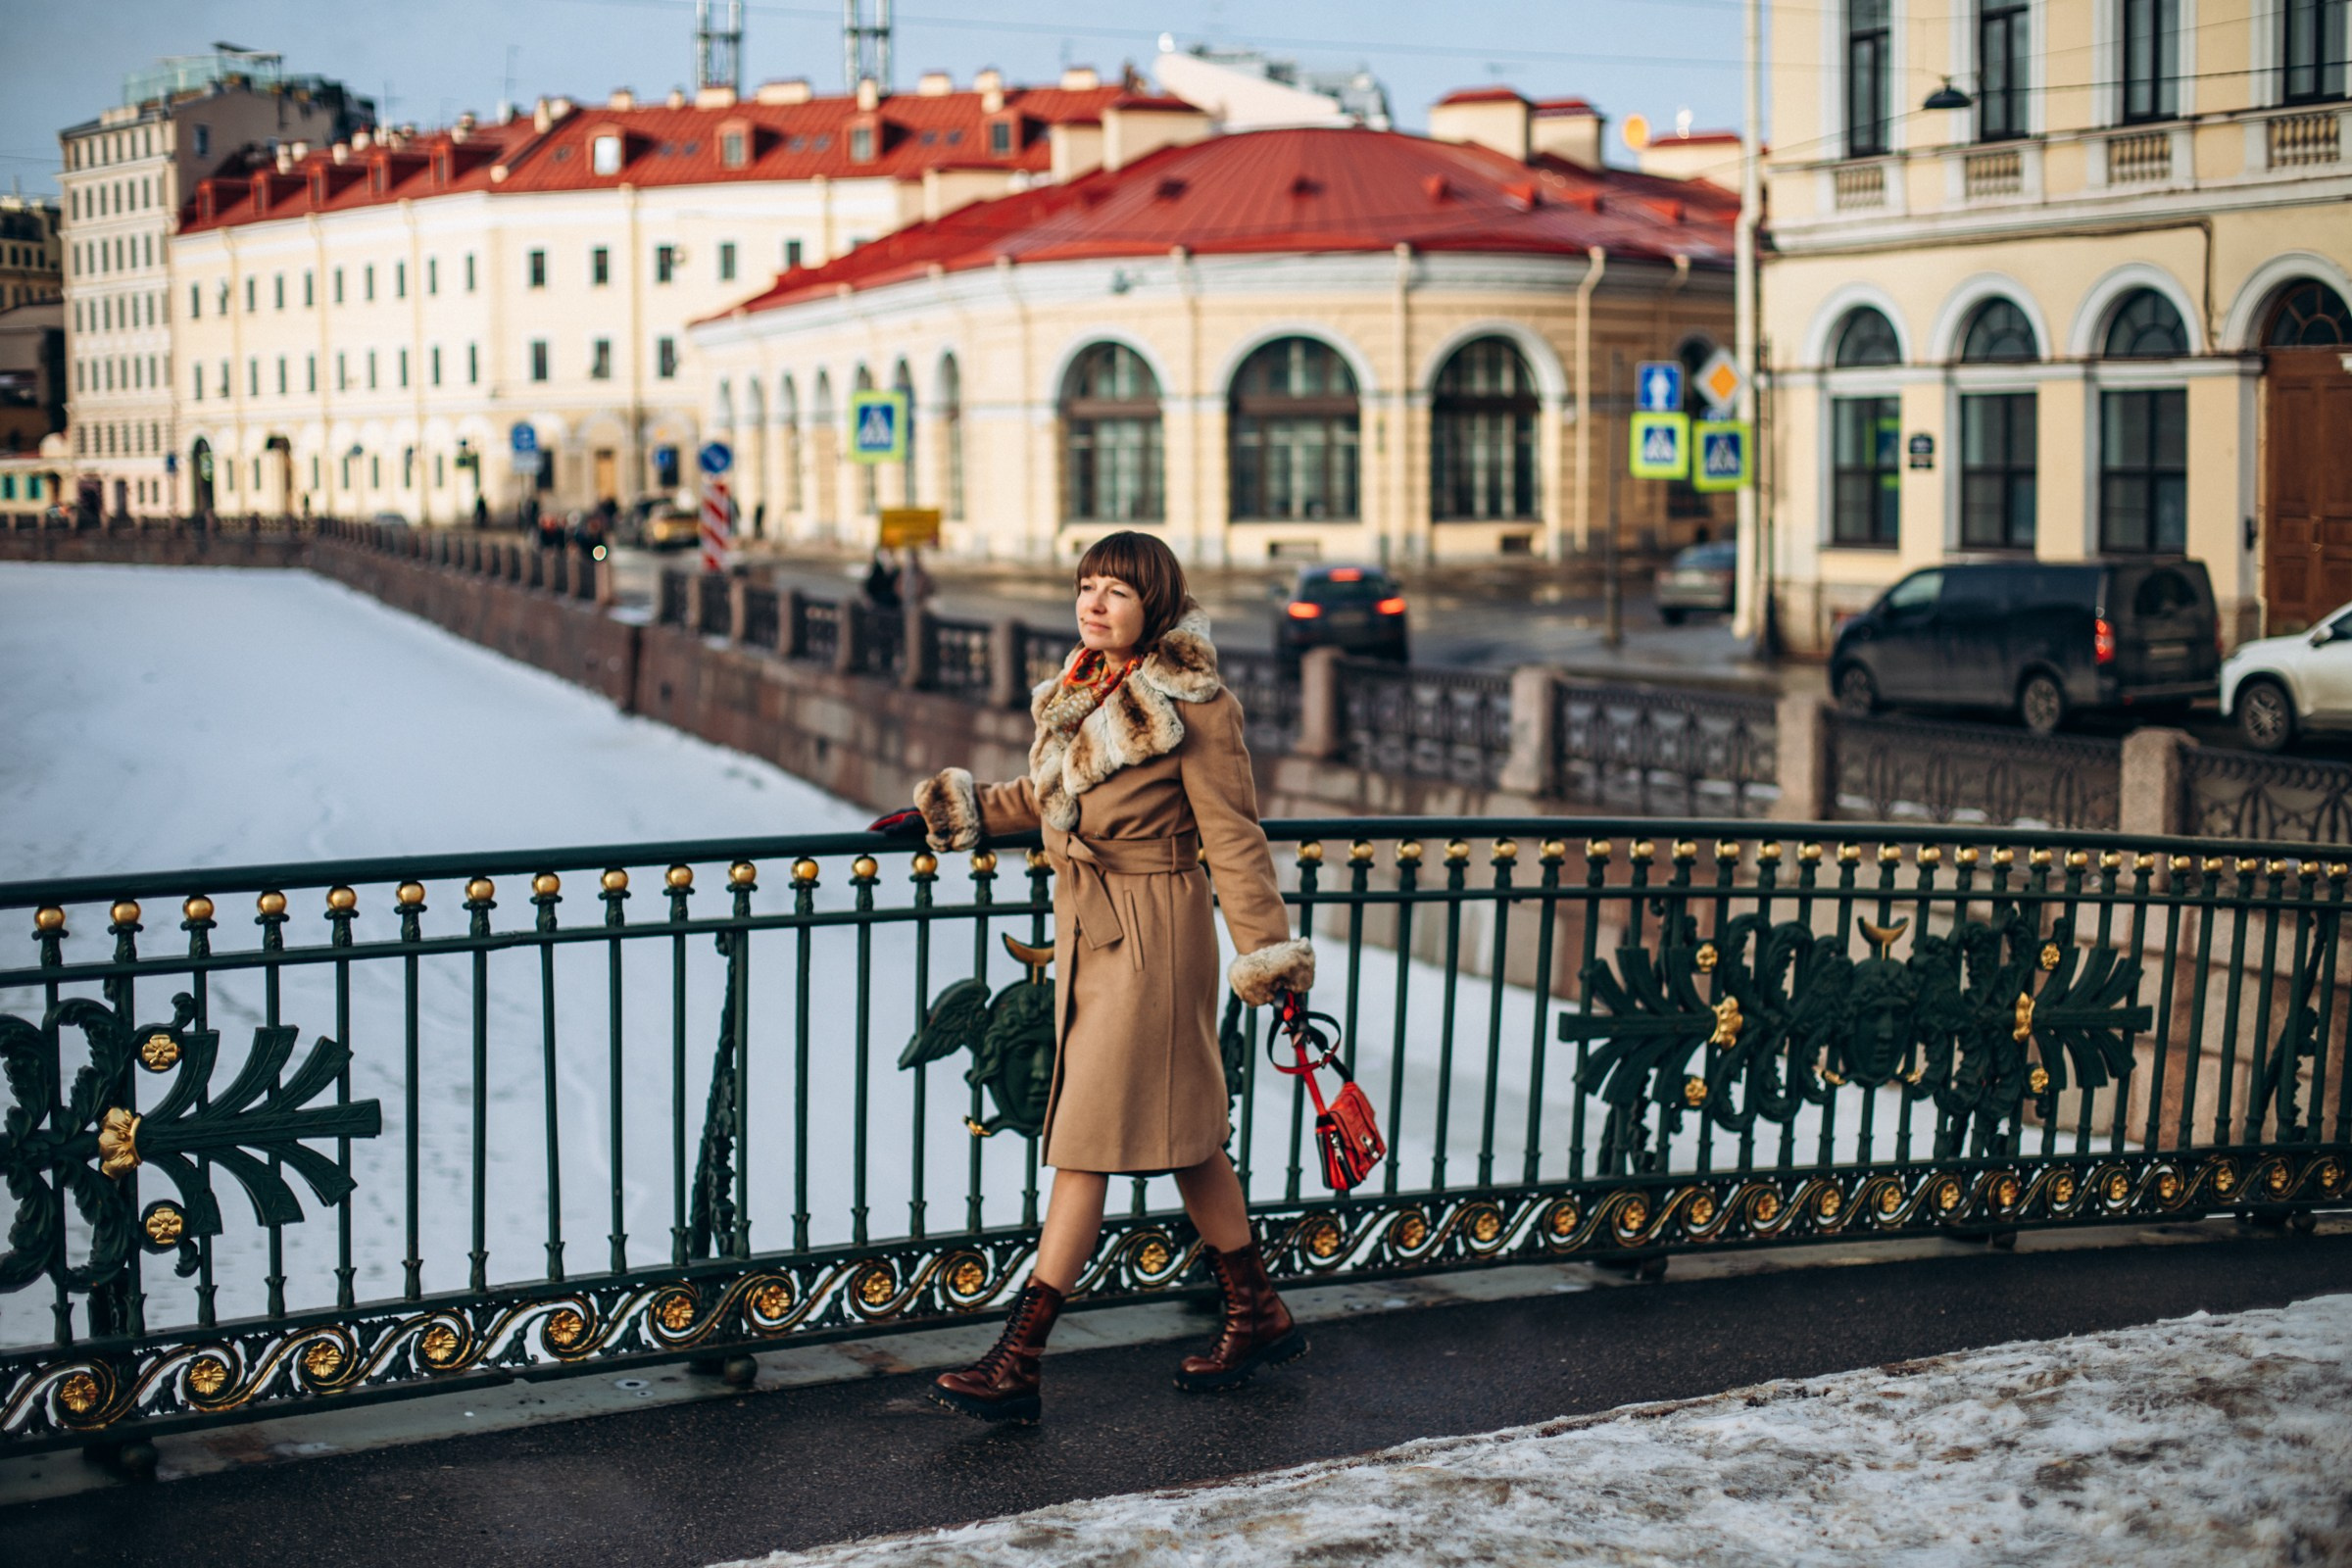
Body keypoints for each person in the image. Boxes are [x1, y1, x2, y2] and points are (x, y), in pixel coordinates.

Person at [889, 530, 1315, 1425]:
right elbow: (1052, 800)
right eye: (1087, 585)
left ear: (1153, 605)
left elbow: (1235, 837)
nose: (1094, 602)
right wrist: (957, 812)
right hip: (1093, 935)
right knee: (1189, 1138)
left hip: (1156, 937)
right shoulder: (1084, 686)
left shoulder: (1197, 704)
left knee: (1084, 1141)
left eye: (1116, 590)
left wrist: (1267, 954)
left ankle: (1019, 1358)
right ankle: (1258, 1313)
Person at [896, 544, 934, 609]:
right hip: (906, 602)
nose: (914, 561)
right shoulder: (904, 572)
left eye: (915, 559)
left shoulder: (922, 574)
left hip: (918, 603)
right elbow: (897, 587)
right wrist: (903, 595)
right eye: (913, 559)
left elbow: (929, 589)